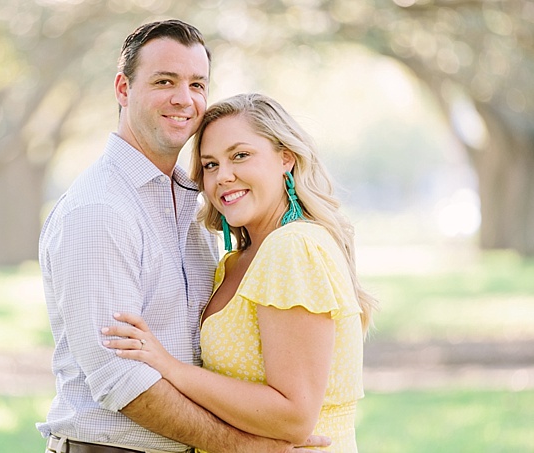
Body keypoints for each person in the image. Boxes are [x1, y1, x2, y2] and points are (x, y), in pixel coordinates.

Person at [38, 20, 331, 453]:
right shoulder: (100, 210)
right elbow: (120, 380)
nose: (184, 98)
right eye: (164, 81)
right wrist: (248, 447)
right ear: (123, 89)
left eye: (197, 84)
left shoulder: (195, 206)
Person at [103, 93, 378, 452]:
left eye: (240, 156)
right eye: (211, 165)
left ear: (286, 159)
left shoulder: (293, 248)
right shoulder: (235, 262)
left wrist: (169, 367)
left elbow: (294, 416)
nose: (224, 177)